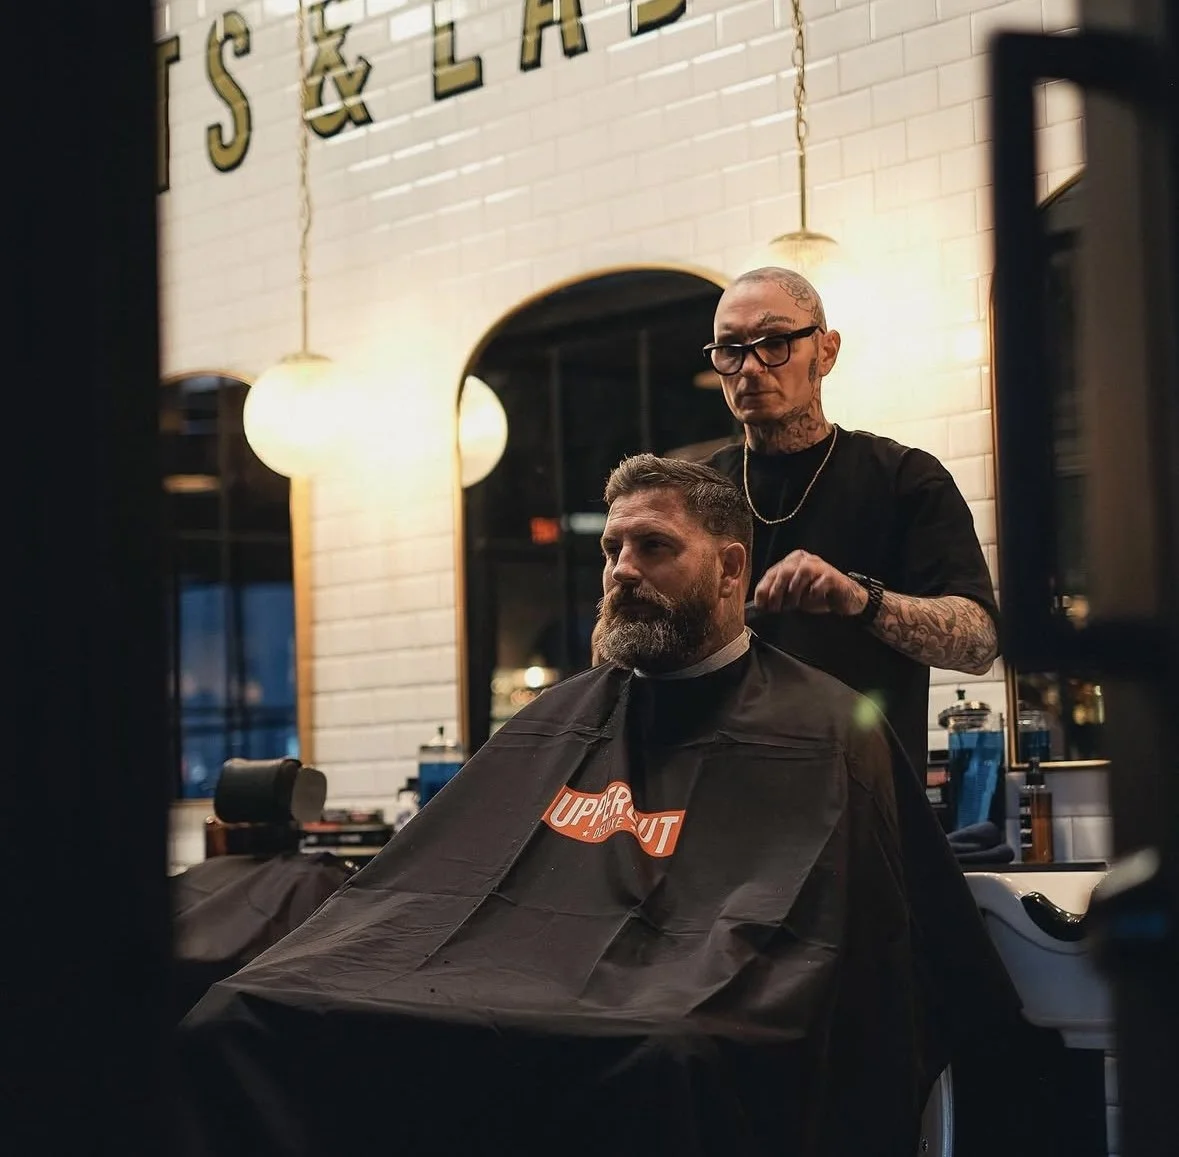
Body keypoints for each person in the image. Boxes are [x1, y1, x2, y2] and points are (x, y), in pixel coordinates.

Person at [177, 457, 1022, 1157]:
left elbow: (861, 953)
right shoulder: (556, 716)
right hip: (498, 989)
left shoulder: (826, 725)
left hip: (673, 1015)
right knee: (238, 1014)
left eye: (654, 547)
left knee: (663, 1059)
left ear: (731, 568)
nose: (622, 568)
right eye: (613, 548)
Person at [702, 267, 999, 778]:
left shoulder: (904, 478)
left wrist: (861, 599)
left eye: (774, 342)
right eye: (731, 348)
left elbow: (978, 644)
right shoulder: (696, 493)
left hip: (864, 807)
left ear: (826, 351)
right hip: (726, 804)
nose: (750, 367)